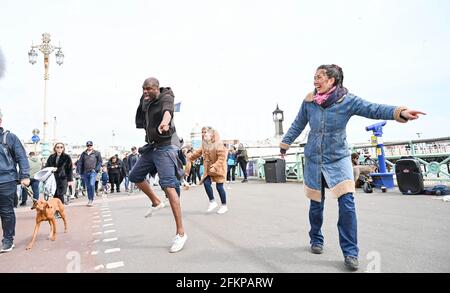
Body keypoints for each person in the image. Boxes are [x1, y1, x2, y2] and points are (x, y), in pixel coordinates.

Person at [280, 64, 425, 271]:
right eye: (314, 77)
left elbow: (372, 108)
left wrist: (399, 112)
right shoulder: (309, 101)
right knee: (316, 204)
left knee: (347, 203)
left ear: (332, 80)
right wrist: (285, 144)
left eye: (319, 77)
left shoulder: (347, 101)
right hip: (314, 158)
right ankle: (316, 238)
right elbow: (298, 124)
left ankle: (350, 252)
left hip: (338, 158)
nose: (315, 81)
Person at [128, 77, 187, 253]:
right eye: (143, 89)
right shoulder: (145, 99)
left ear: (157, 88)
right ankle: (156, 201)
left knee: (169, 186)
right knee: (134, 176)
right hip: (152, 147)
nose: (145, 92)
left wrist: (164, 122)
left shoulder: (166, 96)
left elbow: (168, 110)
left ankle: (181, 233)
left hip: (167, 145)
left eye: (148, 89)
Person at [0, 109, 30, 253]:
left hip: (6, 180)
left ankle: (8, 240)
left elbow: (21, 157)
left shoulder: (9, 137)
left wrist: (24, 175)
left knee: (6, 211)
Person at [186, 126, 229, 214]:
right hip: (209, 169)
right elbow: (198, 153)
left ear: (211, 134)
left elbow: (222, 158)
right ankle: (212, 201)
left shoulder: (218, 144)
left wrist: (215, 166)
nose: (203, 134)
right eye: (202, 132)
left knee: (219, 187)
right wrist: (190, 157)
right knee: (206, 183)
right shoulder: (204, 144)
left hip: (219, 168)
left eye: (205, 132)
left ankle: (224, 206)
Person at [76, 141, 102, 206]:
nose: (89, 147)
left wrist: (96, 169)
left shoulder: (97, 153)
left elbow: (100, 162)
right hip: (85, 172)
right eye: (88, 146)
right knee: (88, 186)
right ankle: (89, 199)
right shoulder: (83, 154)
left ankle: (91, 199)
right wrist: (79, 172)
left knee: (92, 184)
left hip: (93, 172)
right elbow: (80, 163)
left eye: (90, 145)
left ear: (92, 146)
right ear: (86, 146)